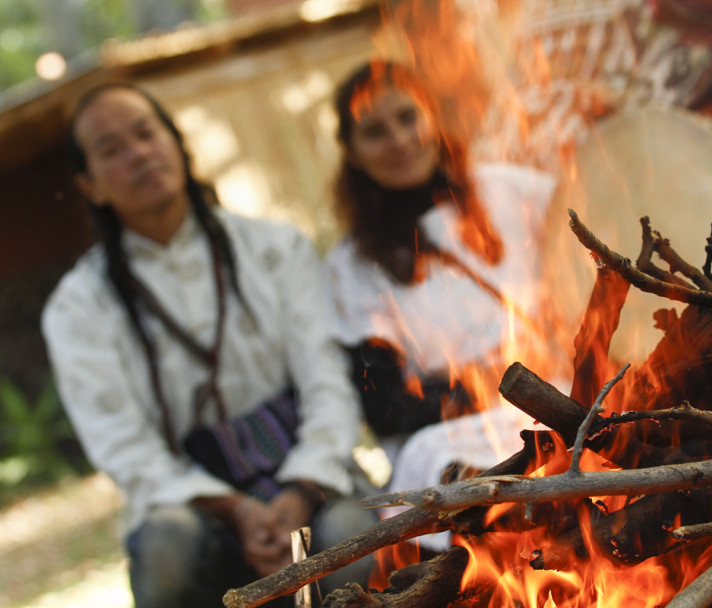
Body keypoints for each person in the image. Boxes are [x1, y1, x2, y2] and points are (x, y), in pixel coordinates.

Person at [41, 83, 375, 607]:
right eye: (111, 149)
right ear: (91, 187)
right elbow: (124, 447)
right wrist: (239, 509)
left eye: (147, 133)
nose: (138, 153)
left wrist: (299, 489)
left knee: (354, 535)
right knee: (165, 551)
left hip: (309, 484)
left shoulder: (275, 248)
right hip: (193, 505)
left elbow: (327, 381)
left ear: (179, 146)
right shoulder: (77, 308)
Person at [325, 60, 560, 550]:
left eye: (407, 118)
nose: (399, 141)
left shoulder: (507, 190)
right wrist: (480, 385)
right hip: (455, 435)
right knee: (466, 484)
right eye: (374, 132)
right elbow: (385, 405)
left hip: (560, 398)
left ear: (431, 116)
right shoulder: (352, 265)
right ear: (351, 152)